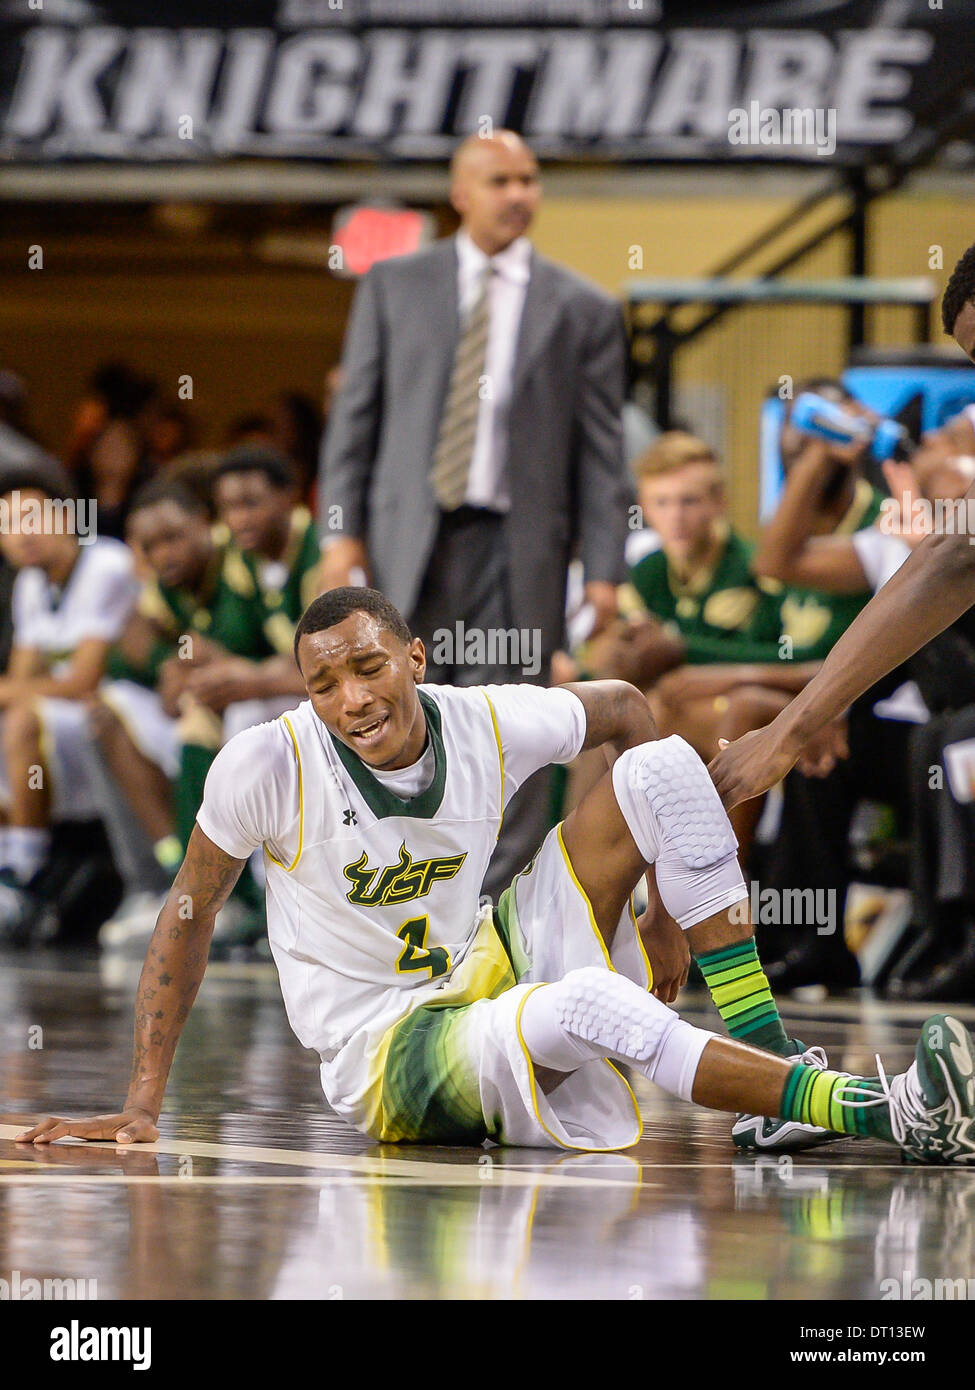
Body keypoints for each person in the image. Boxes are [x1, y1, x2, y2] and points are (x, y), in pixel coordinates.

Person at [16, 587, 975, 1166]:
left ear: (414, 657)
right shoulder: (266, 766)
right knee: (594, 1002)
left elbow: (631, 707)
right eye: (323, 683)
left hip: (481, 961)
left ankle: (771, 1071)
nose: (351, 698)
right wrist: (143, 1103)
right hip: (384, 1055)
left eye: (367, 666)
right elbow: (185, 916)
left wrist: (664, 911)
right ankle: (882, 1114)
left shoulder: (481, 718)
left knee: (665, 762)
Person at [319, 130, 630, 898]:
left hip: (519, 542)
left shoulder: (583, 306)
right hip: (409, 536)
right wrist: (339, 532)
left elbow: (600, 450)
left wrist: (603, 571)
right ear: (460, 193)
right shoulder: (394, 285)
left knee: (510, 716)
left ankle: (496, 903)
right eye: (500, 180)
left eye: (528, 180)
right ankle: (397, 885)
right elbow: (355, 417)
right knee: (393, 705)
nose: (517, 194)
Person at [0, 471, 139, 939]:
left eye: (30, 517)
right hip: (68, 718)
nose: (21, 533)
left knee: (21, 719)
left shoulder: (108, 564)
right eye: (7, 524)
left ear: (67, 516)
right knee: (16, 716)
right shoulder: (30, 584)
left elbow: (85, 678)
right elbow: (23, 676)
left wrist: (14, 691)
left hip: (126, 713)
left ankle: (24, 870)